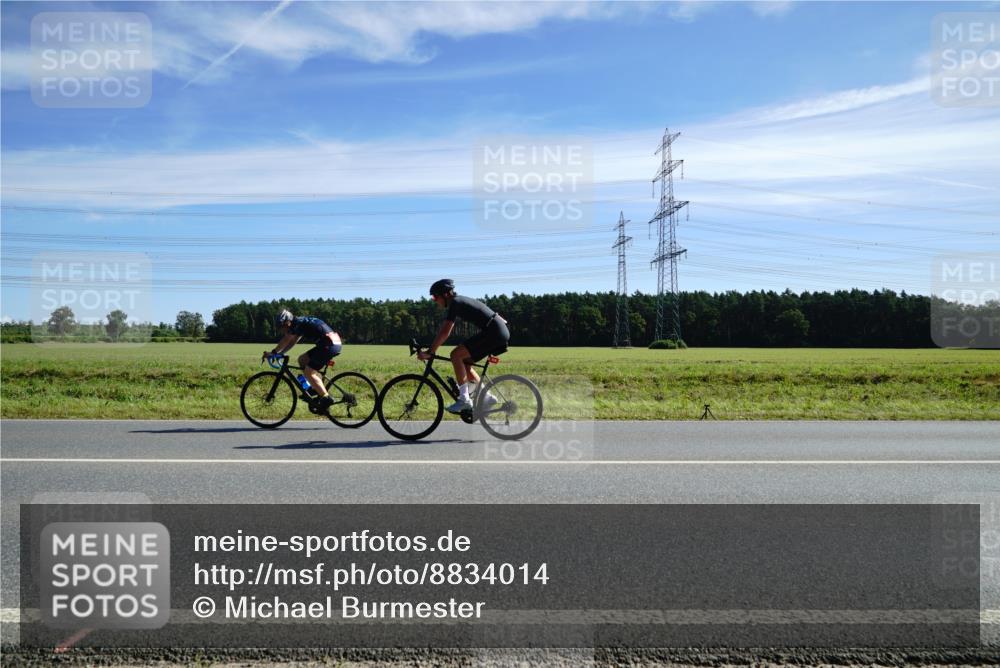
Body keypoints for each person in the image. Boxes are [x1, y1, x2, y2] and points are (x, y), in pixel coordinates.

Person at [418, 279, 509, 413]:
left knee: (456, 355)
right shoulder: (459, 301)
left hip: (494, 332)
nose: (434, 300)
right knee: (465, 362)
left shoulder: (455, 302)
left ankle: (464, 400)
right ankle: (487, 397)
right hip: (496, 331)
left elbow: (445, 331)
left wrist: (431, 351)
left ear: (445, 295)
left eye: (435, 297)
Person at [264, 309, 342, 412]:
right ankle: (314, 389)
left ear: (288, 321)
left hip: (328, 345)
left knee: (309, 372)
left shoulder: (297, 324)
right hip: (329, 344)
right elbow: (292, 342)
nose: (282, 329)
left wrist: (273, 353)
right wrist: (280, 353)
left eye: (283, 326)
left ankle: (326, 398)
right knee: (302, 360)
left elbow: (286, 339)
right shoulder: (299, 323)